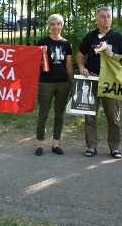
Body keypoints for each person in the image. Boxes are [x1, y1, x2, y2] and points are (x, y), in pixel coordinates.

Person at [76, 7, 122, 158]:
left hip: (110, 81)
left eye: (108, 17)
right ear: (97, 19)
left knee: (113, 116)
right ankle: (91, 146)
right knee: (90, 115)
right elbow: (80, 55)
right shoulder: (90, 37)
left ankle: (114, 147)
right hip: (92, 78)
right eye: (103, 17)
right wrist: (81, 67)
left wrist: (113, 54)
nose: (106, 19)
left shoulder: (117, 37)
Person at [35, 14, 73, 156]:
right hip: (46, 83)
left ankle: (55, 144)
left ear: (62, 25)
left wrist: (72, 83)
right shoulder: (42, 42)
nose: (55, 27)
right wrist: (40, 54)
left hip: (63, 83)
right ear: (49, 26)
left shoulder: (66, 44)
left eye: (58, 24)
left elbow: (69, 65)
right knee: (43, 114)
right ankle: (40, 145)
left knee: (59, 115)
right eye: (53, 24)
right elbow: (35, 64)